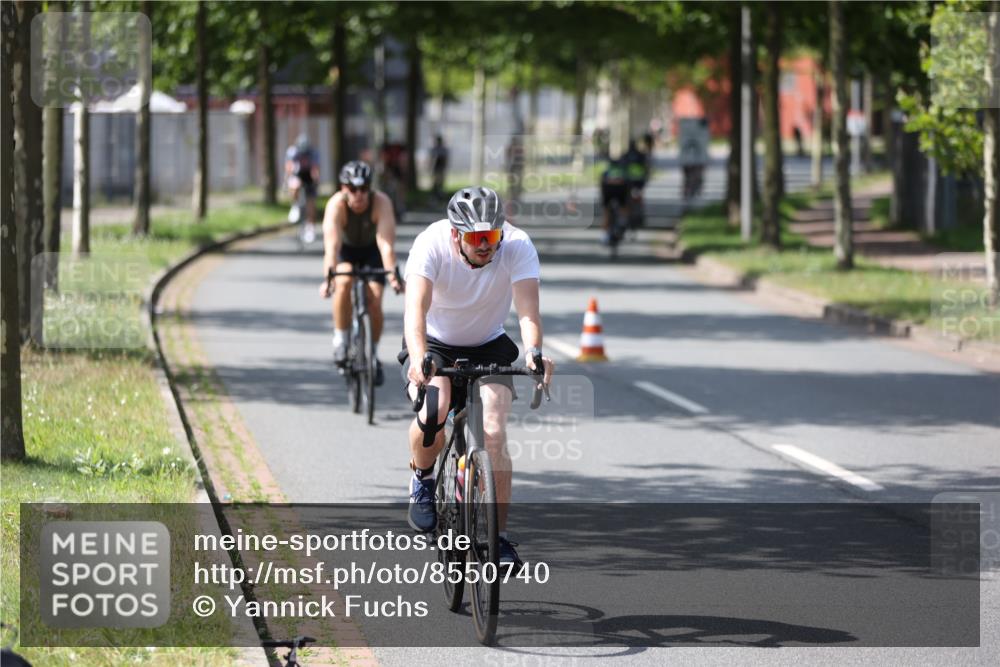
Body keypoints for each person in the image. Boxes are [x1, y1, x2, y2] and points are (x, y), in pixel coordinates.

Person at [399, 186, 555, 567]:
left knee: (495, 432)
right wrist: (418, 359)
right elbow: (415, 310)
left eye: (492, 235)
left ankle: (498, 539)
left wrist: (534, 353)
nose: (486, 245)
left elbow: (528, 312)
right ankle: (422, 478)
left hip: (488, 343)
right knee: (434, 410)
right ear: (456, 234)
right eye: (476, 238)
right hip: (435, 343)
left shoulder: (517, 245)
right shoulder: (431, 243)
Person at [319, 161, 403, 385]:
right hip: (345, 252)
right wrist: (328, 279)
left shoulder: (381, 202)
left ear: (370, 188)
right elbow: (332, 247)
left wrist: (393, 277)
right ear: (343, 188)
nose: (359, 194)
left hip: (372, 252)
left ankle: (372, 355)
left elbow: (386, 246)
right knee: (344, 280)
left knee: (374, 300)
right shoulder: (336, 205)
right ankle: (341, 340)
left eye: (364, 188)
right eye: (353, 189)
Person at [285, 134, 320, 239]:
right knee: (294, 184)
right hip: (297, 173)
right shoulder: (292, 151)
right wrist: (289, 178)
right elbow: (289, 166)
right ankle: (295, 205)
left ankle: (310, 227)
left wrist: (315, 181)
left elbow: (315, 169)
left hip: (308, 175)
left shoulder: (313, 153)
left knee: (311, 202)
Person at [599, 157, 628, 244]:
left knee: (606, 212)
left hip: (608, 193)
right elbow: (628, 184)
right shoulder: (623, 172)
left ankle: (604, 236)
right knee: (623, 207)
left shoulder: (606, 172)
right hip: (620, 193)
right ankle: (622, 223)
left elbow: (601, 184)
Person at [429, 135, 449, 201]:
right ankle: (435, 195)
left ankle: (439, 195)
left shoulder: (442, 150)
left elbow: (445, 159)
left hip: (440, 168)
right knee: (436, 182)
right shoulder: (436, 149)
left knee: (440, 182)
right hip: (436, 168)